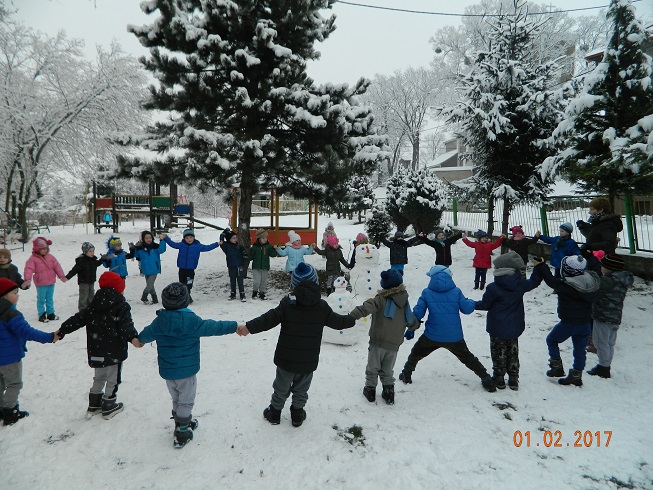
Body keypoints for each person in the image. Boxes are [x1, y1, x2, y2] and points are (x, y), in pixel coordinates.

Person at [238, 263, 355, 427]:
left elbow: (268, 319)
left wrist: (249, 327)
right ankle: (297, 414)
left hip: (286, 359)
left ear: (293, 284)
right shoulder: (322, 307)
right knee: (301, 388)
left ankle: (274, 413)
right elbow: (338, 322)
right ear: (314, 282)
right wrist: (354, 317)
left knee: (281, 387)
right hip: (308, 360)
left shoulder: (288, 304)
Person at [138, 282, 238, 448]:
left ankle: (181, 423)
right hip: (186, 372)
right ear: (185, 301)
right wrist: (234, 326)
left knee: (177, 398)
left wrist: (139, 341)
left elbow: (144, 336)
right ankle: (182, 433)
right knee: (186, 401)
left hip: (168, 372)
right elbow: (214, 327)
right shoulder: (192, 321)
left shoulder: (160, 321)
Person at [398, 265, 496, 393]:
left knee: (416, 353)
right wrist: (470, 302)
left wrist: (411, 328)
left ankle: (406, 374)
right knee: (468, 358)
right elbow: (466, 309)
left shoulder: (427, 293)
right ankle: (486, 378)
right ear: (449, 276)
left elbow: (418, 313)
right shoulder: (456, 292)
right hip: (454, 337)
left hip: (432, 336)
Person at [58, 271, 142, 419]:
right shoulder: (121, 306)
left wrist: (62, 330)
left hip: (96, 349)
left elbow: (78, 319)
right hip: (114, 350)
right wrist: (134, 338)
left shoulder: (94, 304)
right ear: (118, 289)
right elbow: (126, 325)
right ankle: (109, 405)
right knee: (113, 378)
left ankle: (94, 404)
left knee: (99, 377)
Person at [474, 251, 542, 390]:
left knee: (498, 351)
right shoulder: (521, 285)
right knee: (513, 351)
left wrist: (469, 304)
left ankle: (499, 378)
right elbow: (534, 281)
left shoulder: (493, 288)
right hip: (515, 325)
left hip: (497, 326)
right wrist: (539, 267)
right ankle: (513, 378)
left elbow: (485, 305)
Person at [349, 269, 418, 405]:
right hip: (394, 343)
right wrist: (414, 326)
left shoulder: (380, 299)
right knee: (387, 369)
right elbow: (411, 319)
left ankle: (370, 391)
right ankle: (389, 393)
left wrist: (351, 316)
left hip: (378, 341)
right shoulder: (404, 301)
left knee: (373, 367)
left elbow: (366, 307)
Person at [533, 255, 600, 387]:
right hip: (585, 324)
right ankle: (576, 375)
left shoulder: (566, 285)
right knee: (580, 350)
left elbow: (551, 280)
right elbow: (596, 270)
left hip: (569, 323)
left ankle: (556, 366)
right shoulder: (591, 282)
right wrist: (591, 256)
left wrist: (541, 266)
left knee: (552, 340)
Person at [0, 278, 59, 425]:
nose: (18, 296)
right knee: (14, 384)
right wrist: (50, 337)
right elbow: (28, 332)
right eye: (14, 293)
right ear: (3, 296)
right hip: (9, 359)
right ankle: (10, 412)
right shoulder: (11, 314)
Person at [588, 254, 634, 379]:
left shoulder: (607, 281)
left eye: (602, 266)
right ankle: (605, 365)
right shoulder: (621, 280)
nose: (601, 268)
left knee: (599, 342)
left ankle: (604, 367)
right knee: (609, 343)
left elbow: (593, 279)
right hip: (615, 317)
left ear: (609, 268)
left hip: (603, 316)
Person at [161, 229, 219, 304]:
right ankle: (185, 298)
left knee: (189, 284)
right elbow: (173, 244)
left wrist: (217, 244)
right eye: (187, 238)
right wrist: (166, 238)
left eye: (191, 237)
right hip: (182, 269)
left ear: (194, 237)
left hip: (190, 270)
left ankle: (187, 296)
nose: (189, 239)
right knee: (182, 284)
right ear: (184, 239)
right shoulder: (181, 245)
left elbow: (207, 247)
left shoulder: (198, 246)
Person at [23, 237, 67, 322]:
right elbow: (28, 269)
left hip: (51, 282)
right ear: (37, 249)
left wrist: (61, 276)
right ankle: (42, 315)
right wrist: (27, 279)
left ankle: (51, 313)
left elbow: (57, 266)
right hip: (41, 283)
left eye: (46, 248)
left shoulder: (51, 257)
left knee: (49, 298)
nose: (45, 250)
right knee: (41, 299)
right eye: (42, 249)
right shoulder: (32, 259)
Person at [65, 242, 105, 311]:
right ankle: (82, 309)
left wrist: (102, 259)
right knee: (84, 295)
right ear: (85, 252)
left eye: (93, 251)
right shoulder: (81, 261)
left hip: (91, 280)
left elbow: (97, 264)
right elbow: (74, 270)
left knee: (91, 295)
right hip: (83, 282)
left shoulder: (93, 260)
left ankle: (91, 307)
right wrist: (68, 277)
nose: (92, 253)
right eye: (90, 251)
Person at [131, 231, 167, 305]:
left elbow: (162, 249)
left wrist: (162, 240)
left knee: (149, 285)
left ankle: (144, 296)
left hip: (154, 269)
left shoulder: (155, 247)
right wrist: (132, 248)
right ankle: (155, 299)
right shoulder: (140, 248)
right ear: (143, 239)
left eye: (150, 238)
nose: (149, 239)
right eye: (146, 238)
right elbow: (136, 255)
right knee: (150, 285)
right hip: (145, 269)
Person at [219, 228, 248, 302]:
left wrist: (244, 256)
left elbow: (244, 252)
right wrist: (224, 233)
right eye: (233, 238)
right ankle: (233, 293)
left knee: (240, 280)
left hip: (239, 265)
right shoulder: (226, 246)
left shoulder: (239, 246)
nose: (235, 239)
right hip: (231, 266)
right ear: (229, 239)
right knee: (232, 280)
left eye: (236, 238)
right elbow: (221, 241)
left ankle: (242, 294)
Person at [249, 229, 278, 300]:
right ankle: (255, 292)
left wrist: (275, 249)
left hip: (265, 267)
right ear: (259, 239)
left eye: (266, 238)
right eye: (263, 238)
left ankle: (262, 293)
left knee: (263, 281)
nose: (265, 239)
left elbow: (273, 255)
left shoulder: (268, 246)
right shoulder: (254, 247)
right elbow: (250, 257)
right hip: (256, 267)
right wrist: (247, 254)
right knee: (257, 281)